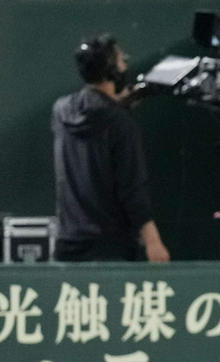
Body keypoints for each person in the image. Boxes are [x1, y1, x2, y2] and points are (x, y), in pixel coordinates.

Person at [51, 34, 169, 262]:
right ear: (111, 70)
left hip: (69, 243)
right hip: (111, 248)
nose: (125, 64)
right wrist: (153, 241)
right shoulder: (120, 122)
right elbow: (132, 187)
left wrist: (114, 103)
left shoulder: (61, 110)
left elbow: (92, 112)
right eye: (121, 60)